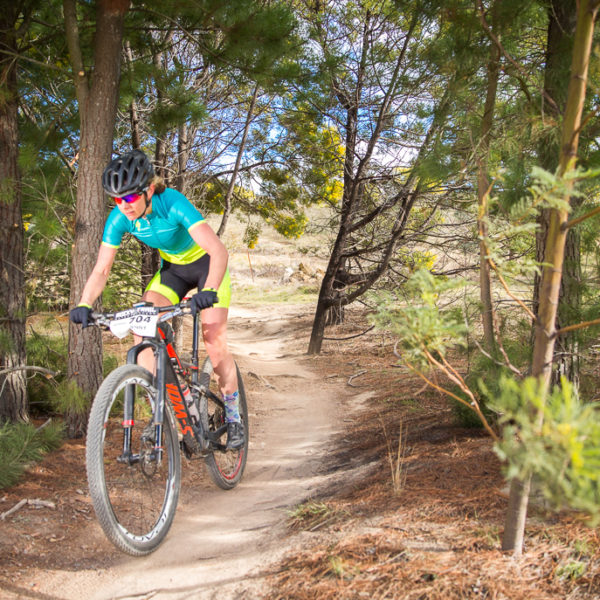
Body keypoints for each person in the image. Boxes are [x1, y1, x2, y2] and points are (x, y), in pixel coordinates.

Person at [69, 149, 244, 449]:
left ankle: (233, 413)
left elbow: (219, 251)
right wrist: (85, 303)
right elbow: (101, 268)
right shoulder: (120, 218)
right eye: (116, 199)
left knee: (214, 342)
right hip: (173, 271)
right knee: (142, 327)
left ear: (149, 189)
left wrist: (209, 290)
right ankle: (159, 413)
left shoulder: (172, 203)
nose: (123, 206)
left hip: (206, 266)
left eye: (129, 198)